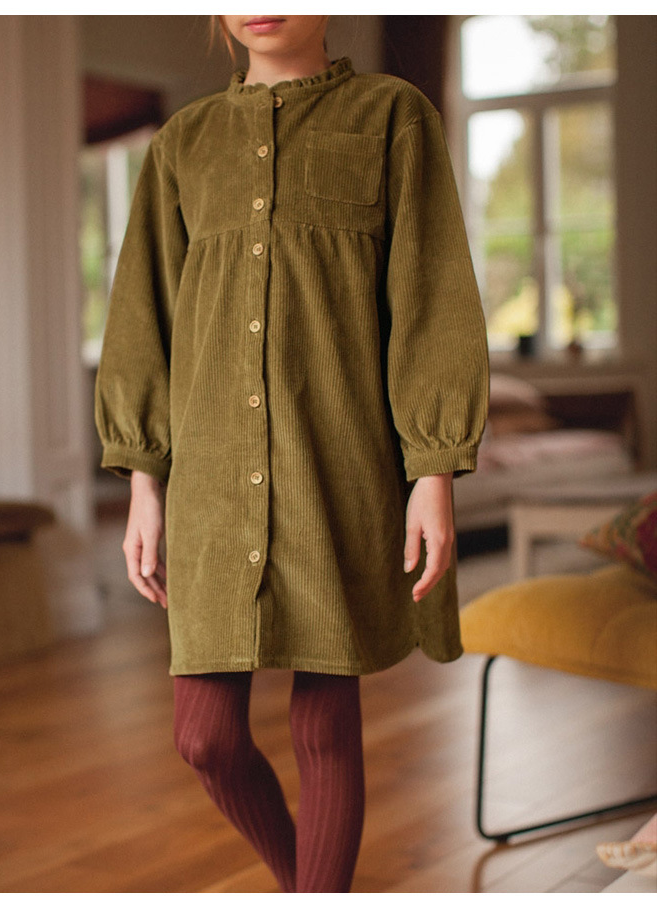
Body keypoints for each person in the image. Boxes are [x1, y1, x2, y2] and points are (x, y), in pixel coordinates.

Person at [95, 14, 489, 893]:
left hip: (337, 463)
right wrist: (144, 482)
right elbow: (141, 317)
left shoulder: (392, 116)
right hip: (208, 480)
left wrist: (432, 470)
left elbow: (432, 299)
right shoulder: (182, 144)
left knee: (324, 725)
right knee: (204, 738)